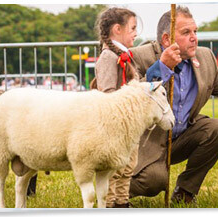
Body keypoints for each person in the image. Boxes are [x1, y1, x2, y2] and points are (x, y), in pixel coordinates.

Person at [128, 6, 218, 204]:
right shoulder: (139, 56)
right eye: (186, 32)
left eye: (195, 31)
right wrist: (162, 67)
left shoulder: (205, 57)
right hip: (146, 143)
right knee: (154, 181)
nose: (194, 37)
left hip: (181, 138)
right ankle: (114, 192)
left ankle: (185, 192)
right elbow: (129, 97)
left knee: (217, 129)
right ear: (166, 40)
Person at [93, 7, 139, 208]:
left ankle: (123, 200)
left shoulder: (124, 55)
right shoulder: (108, 57)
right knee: (115, 167)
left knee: (128, 165)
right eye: (133, 28)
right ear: (117, 29)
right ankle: (110, 203)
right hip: (115, 124)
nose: (136, 33)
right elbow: (107, 93)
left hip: (128, 124)